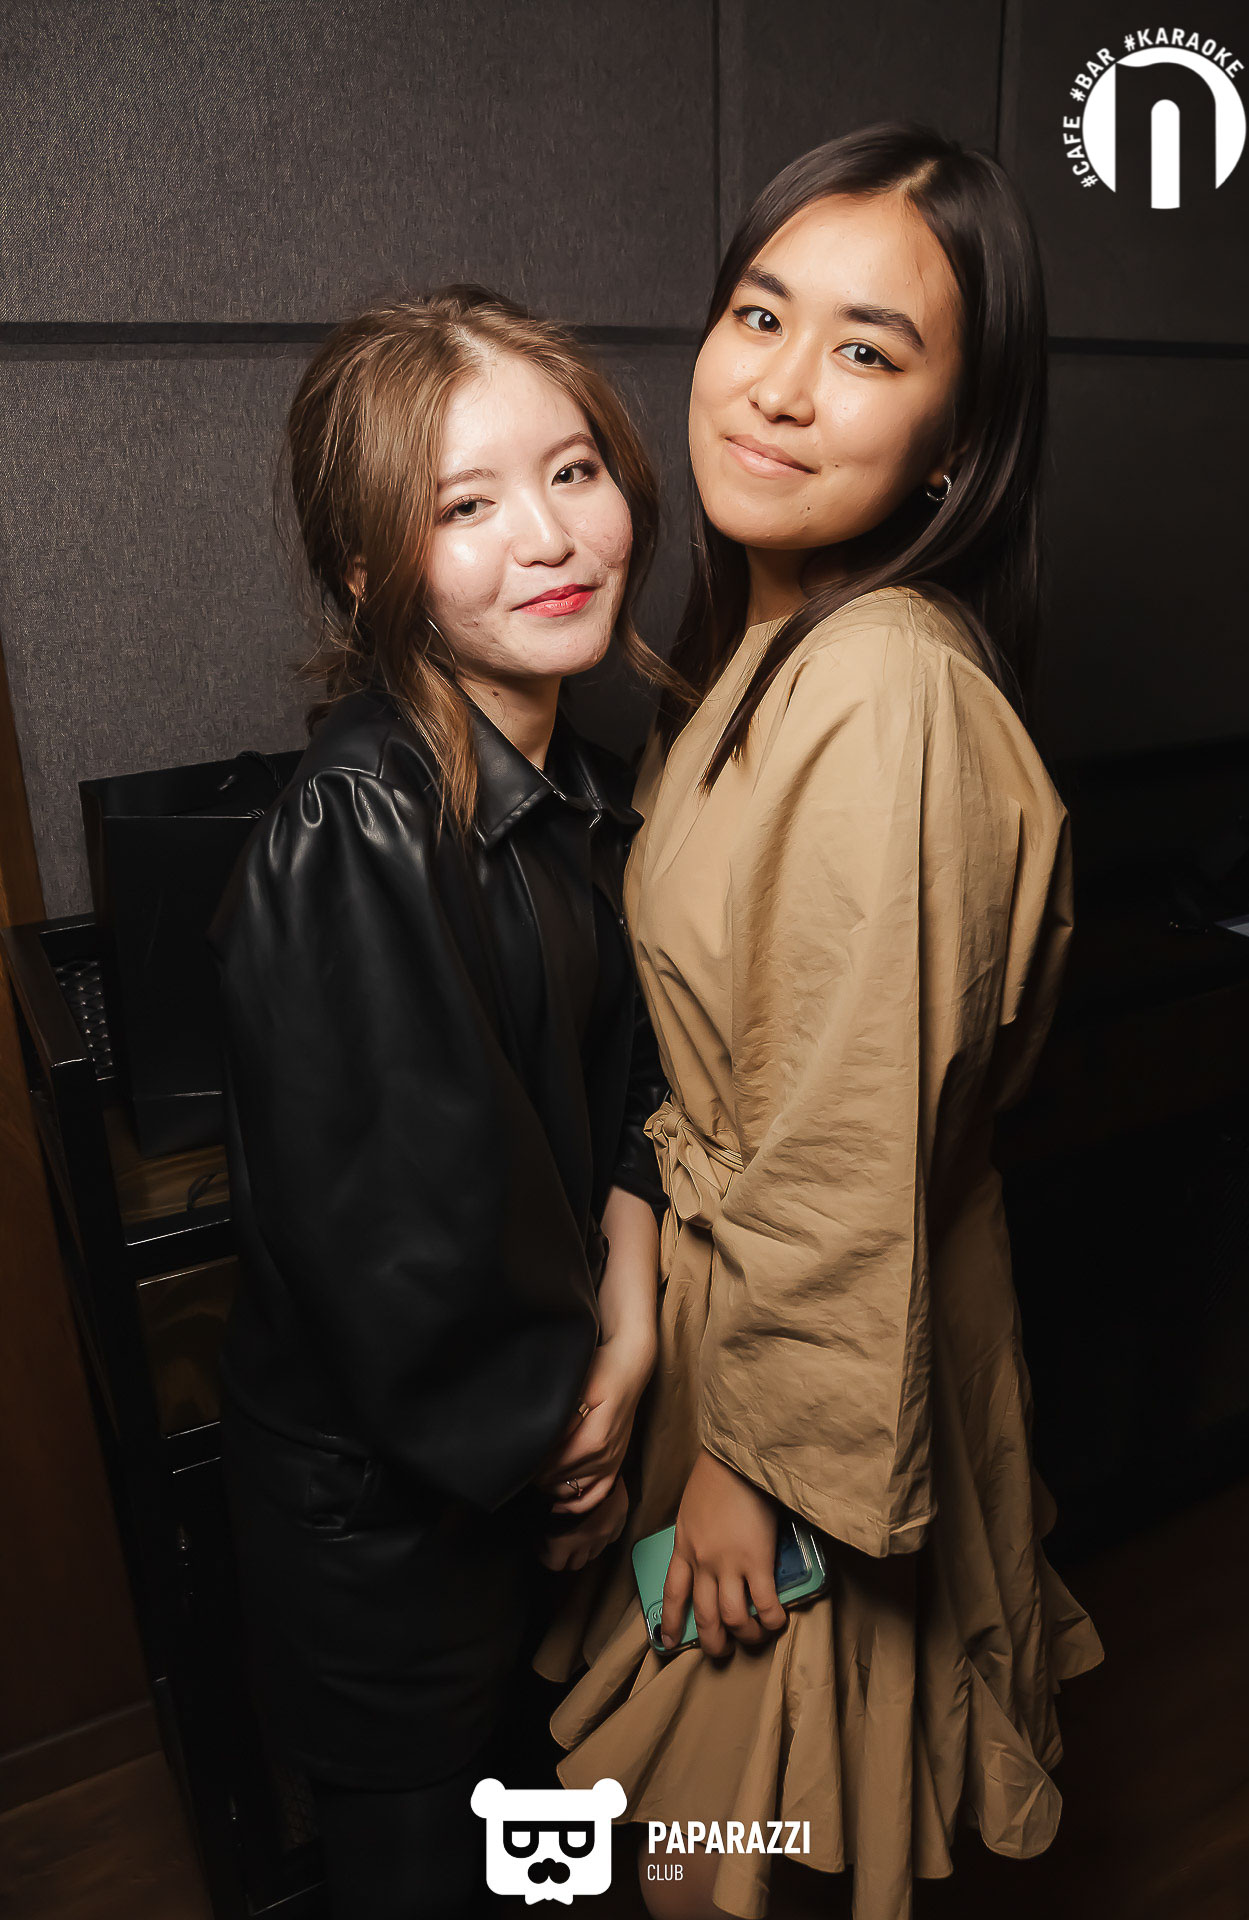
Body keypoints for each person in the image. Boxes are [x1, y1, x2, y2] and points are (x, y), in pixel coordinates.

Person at [534, 123, 1106, 1920]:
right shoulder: (761, 649)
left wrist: (756, 1475)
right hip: (743, 1340)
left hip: (812, 1387)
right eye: (760, 315)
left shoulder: (884, 691)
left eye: (866, 349)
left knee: (721, 1854)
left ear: (957, 441)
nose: (779, 388)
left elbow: (854, 1139)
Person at [209, 285, 682, 1919]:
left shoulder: (576, 781)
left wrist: (630, 1328)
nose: (549, 538)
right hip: (403, 1553)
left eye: (573, 471)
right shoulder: (361, 825)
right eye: (463, 506)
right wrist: (570, 1441)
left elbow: (634, 1078)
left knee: (560, 1876)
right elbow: (413, 1272)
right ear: (366, 569)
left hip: (537, 1471)